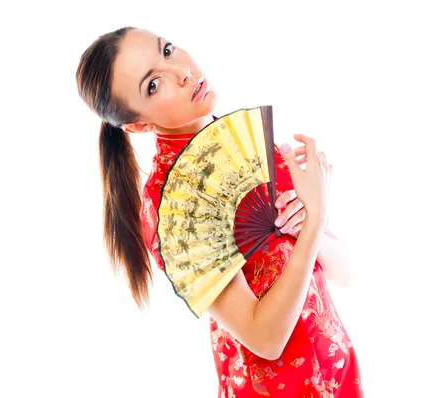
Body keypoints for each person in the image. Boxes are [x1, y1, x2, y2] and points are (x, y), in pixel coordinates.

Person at [75, 26, 363, 397]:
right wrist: (313, 225)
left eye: (167, 50)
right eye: (153, 84)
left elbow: (344, 273)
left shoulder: (241, 143)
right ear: (138, 124)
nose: (181, 72)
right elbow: (265, 338)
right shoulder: (173, 210)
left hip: (337, 373)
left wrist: (314, 221)